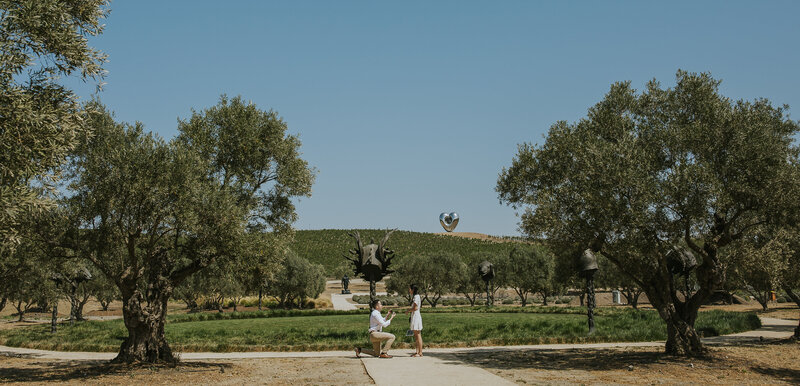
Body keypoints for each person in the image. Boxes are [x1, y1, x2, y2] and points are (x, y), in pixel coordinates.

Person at [406, 284, 423, 357]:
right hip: (414, 316)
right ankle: (417, 351)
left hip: (416, 316)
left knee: (418, 334)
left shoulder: (416, 297)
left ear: (412, 289)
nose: (409, 290)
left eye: (410, 289)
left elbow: (415, 308)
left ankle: (420, 352)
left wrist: (408, 310)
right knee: (416, 335)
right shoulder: (415, 297)